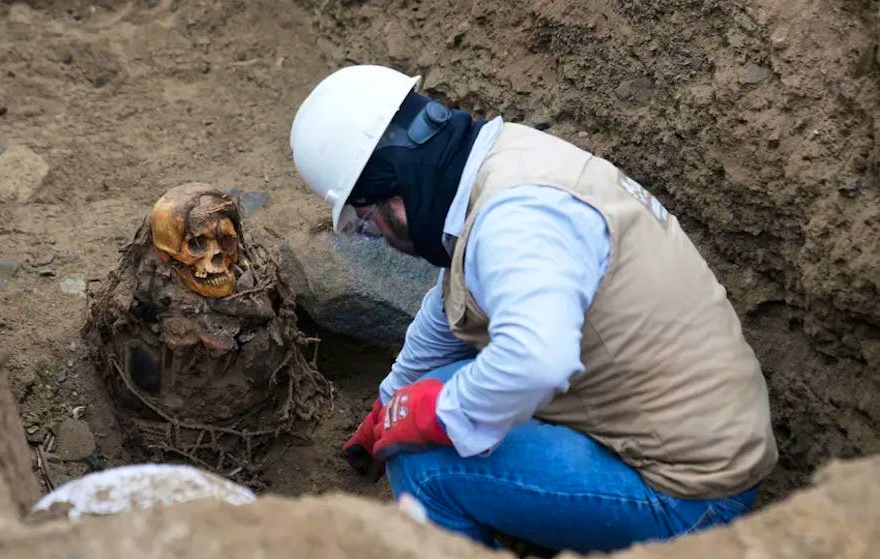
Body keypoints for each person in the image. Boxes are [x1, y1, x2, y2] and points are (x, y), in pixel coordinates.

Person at [289, 65, 777, 553]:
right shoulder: (503, 164)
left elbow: (537, 359)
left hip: (689, 496)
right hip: (694, 432)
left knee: (425, 463)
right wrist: (392, 397)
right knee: (439, 393)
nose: (375, 237)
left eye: (365, 221)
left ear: (396, 185)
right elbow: (452, 297)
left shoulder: (516, 220)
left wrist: (436, 414)